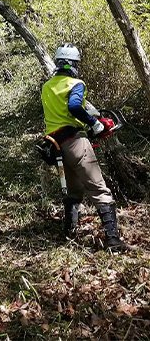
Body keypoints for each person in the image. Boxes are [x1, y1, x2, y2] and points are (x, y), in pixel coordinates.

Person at [41, 43, 126, 252]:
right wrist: (94, 123)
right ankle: (113, 240)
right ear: (72, 64)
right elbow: (73, 106)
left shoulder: (47, 86)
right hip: (75, 142)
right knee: (99, 189)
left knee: (73, 190)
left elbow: (60, 113)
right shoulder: (76, 83)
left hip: (56, 146)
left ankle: (68, 233)